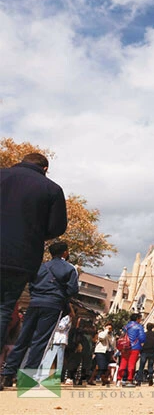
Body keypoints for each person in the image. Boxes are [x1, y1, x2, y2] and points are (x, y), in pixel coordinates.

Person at [0, 152, 68, 377]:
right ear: (45, 168)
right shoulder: (52, 189)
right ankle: (15, 376)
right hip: (20, 258)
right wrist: (34, 232)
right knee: (3, 310)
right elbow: (57, 227)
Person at [0, 241, 78, 387]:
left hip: (34, 303)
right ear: (65, 252)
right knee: (40, 341)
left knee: (23, 338)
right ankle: (26, 379)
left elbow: (31, 284)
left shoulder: (40, 267)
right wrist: (61, 297)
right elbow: (73, 290)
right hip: (53, 306)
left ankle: (7, 374)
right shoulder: (69, 269)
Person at [37, 304, 74, 383]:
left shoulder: (66, 317)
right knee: (52, 358)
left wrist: (53, 323)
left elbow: (61, 327)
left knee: (57, 359)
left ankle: (55, 377)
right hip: (56, 340)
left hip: (59, 340)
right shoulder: (64, 317)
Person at [119, 313, 145, 386]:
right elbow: (142, 338)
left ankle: (119, 379)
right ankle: (130, 380)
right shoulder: (139, 326)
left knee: (123, 363)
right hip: (135, 347)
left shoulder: (126, 326)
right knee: (131, 364)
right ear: (137, 319)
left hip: (125, 346)